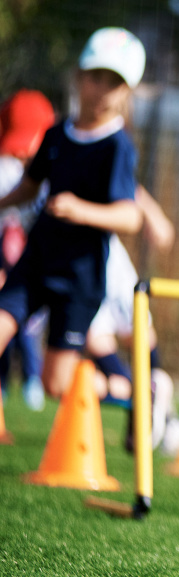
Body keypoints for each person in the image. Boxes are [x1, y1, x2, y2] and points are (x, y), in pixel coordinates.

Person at [0, 27, 145, 403]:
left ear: (126, 92)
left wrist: (81, 210)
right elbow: (29, 188)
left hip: (80, 277)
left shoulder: (117, 147)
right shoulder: (56, 133)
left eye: (113, 83)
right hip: (37, 260)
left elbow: (130, 218)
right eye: (96, 77)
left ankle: (131, 392)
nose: (101, 89)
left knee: (57, 385)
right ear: (79, 77)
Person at [87, 185, 179, 453]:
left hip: (101, 254)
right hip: (67, 257)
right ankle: (154, 397)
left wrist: (154, 215)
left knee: (132, 329)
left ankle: (153, 395)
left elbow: (122, 178)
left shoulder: (58, 145)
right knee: (101, 342)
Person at [0, 90, 56, 411]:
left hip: (51, 264)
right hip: (18, 264)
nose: (22, 154)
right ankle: (9, 383)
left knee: (31, 332)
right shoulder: (8, 170)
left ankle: (33, 379)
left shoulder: (59, 165)